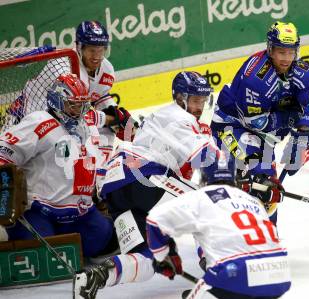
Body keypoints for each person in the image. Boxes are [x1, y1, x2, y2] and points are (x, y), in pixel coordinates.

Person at [73, 71, 221, 299]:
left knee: (148, 258)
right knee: (204, 206)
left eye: (202, 101)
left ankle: (96, 277)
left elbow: (181, 179)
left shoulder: (163, 118)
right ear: (180, 98)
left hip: (115, 187)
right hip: (143, 175)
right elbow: (207, 158)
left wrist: (166, 248)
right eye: (194, 100)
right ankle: (217, 272)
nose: (199, 107)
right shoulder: (180, 118)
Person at [211, 21, 309, 223]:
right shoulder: (255, 78)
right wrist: (290, 117)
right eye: (281, 52)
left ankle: (267, 239)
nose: (286, 58)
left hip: (264, 133)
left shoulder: (302, 72)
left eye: (291, 52)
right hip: (231, 127)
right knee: (256, 182)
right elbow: (256, 124)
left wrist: (303, 135)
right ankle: (215, 244)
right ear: (270, 49)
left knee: (268, 190)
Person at [0, 73, 113, 258]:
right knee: (42, 256)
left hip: (79, 212)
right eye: (72, 104)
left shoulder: (85, 124)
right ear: (56, 101)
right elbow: (4, 151)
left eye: (83, 105)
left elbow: (98, 119)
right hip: (38, 211)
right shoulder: (40, 122)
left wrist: (115, 117)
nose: (79, 111)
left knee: (104, 240)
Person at [147, 160, 291, 299]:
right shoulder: (252, 200)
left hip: (236, 273)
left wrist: (163, 256)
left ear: (204, 178)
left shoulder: (201, 197)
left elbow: (155, 220)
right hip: (279, 273)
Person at [75, 20, 136, 162]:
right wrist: (108, 119)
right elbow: (71, 114)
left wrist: (115, 112)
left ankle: (100, 172)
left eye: (101, 50)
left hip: (71, 113)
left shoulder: (107, 70)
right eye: (91, 50)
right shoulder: (68, 69)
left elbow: (99, 95)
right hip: (41, 116)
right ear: (80, 48)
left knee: (107, 130)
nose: (97, 57)